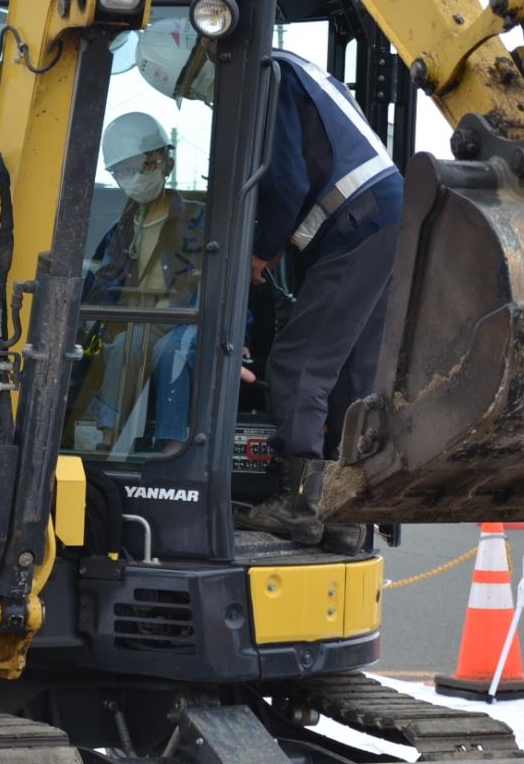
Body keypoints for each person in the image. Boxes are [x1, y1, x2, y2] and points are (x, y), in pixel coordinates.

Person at [136, 27, 402, 545]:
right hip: (383, 220)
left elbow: (286, 182)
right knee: (351, 372)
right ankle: (343, 512)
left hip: (355, 222)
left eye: (195, 82)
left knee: (297, 364)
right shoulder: (293, 68)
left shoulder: (267, 79)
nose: (202, 93)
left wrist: (263, 251)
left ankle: (300, 505)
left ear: (207, 52)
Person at [69, 112, 205, 455]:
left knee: (156, 346)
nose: (133, 178)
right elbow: (100, 282)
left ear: (166, 163)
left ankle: (143, 440)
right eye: (123, 171)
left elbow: (215, 281)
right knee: (115, 347)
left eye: (142, 166)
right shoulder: (121, 228)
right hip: (132, 320)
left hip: (177, 318)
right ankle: (89, 435)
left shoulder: (196, 219)